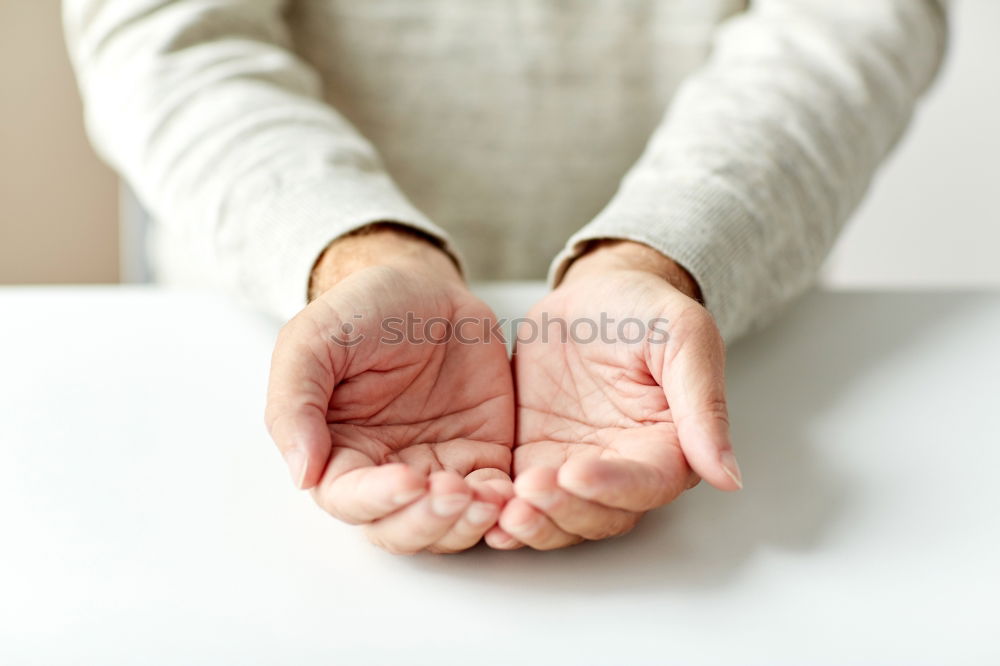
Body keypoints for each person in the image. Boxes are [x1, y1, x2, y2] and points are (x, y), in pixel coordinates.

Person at [64, 0, 949, 553]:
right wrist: (358, 254)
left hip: (733, 331)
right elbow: (165, 33)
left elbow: (855, 15)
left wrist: (661, 252)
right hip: (266, 319)